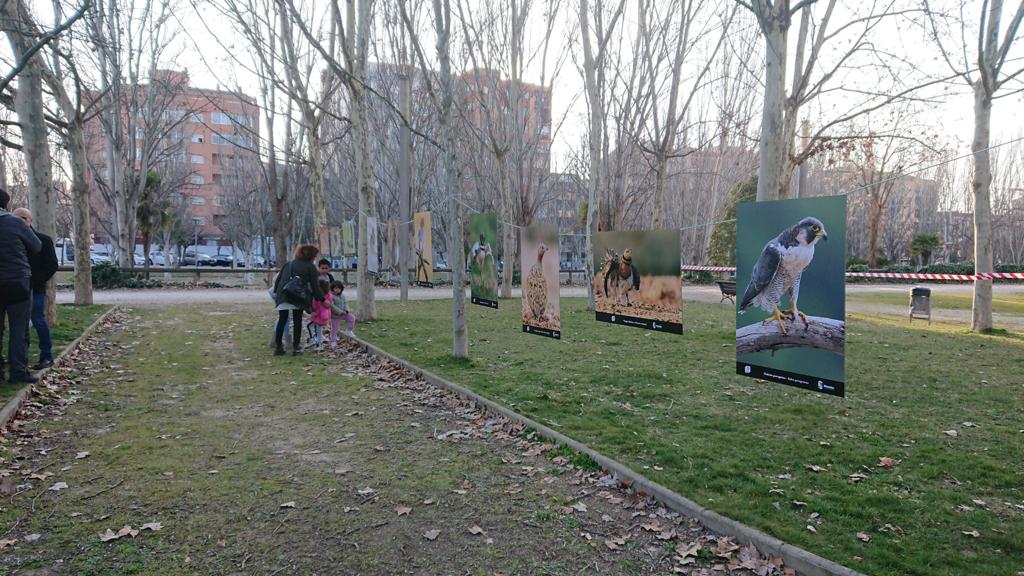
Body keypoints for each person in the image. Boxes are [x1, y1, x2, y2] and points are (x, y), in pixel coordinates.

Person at [0, 190, 42, 384]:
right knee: (18, 328)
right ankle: (18, 372)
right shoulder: (15, 223)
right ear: (7, 205)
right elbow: (36, 246)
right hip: (17, 281)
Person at [13, 208, 58, 370]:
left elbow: (52, 264)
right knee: (19, 324)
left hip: (35, 287)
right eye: (17, 218)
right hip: (16, 287)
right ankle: (19, 360)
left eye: (24, 218)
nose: (20, 221)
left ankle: (46, 356)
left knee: (38, 320)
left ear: (30, 220)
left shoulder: (43, 240)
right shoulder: (12, 239)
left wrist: (35, 280)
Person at [272, 244, 324, 356]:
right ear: (311, 255)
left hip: (284, 294)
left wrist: (277, 295)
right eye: (314, 256)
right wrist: (323, 299)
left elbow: (278, 281)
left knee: (282, 319)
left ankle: (278, 348)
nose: (315, 258)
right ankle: (296, 347)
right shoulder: (310, 267)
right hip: (298, 296)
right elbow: (315, 287)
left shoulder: (288, 264)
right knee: (297, 321)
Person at [305, 279, 332, 352]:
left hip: (319, 317)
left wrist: (315, 313)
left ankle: (313, 339)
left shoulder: (320, 297)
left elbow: (321, 307)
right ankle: (320, 346)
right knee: (318, 331)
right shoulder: (328, 295)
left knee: (308, 325)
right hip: (322, 316)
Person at [328, 280, 356, 346]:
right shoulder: (331, 296)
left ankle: (349, 330)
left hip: (344, 313)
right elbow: (332, 306)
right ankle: (333, 341)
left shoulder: (342, 296)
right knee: (335, 329)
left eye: (339, 288)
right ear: (332, 288)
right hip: (335, 316)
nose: (337, 290)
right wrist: (340, 312)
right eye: (336, 288)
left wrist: (347, 310)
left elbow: (346, 302)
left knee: (352, 318)